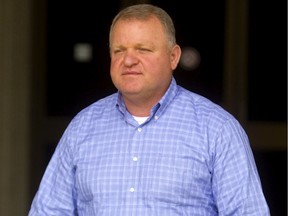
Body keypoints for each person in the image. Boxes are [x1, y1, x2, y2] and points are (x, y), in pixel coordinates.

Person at [28, 3, 270, 215]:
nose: (129, 60)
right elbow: (49, 211)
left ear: (174, 57)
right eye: (119, 50)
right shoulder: (83, 127)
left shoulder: (217, 129)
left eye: (143, 49)